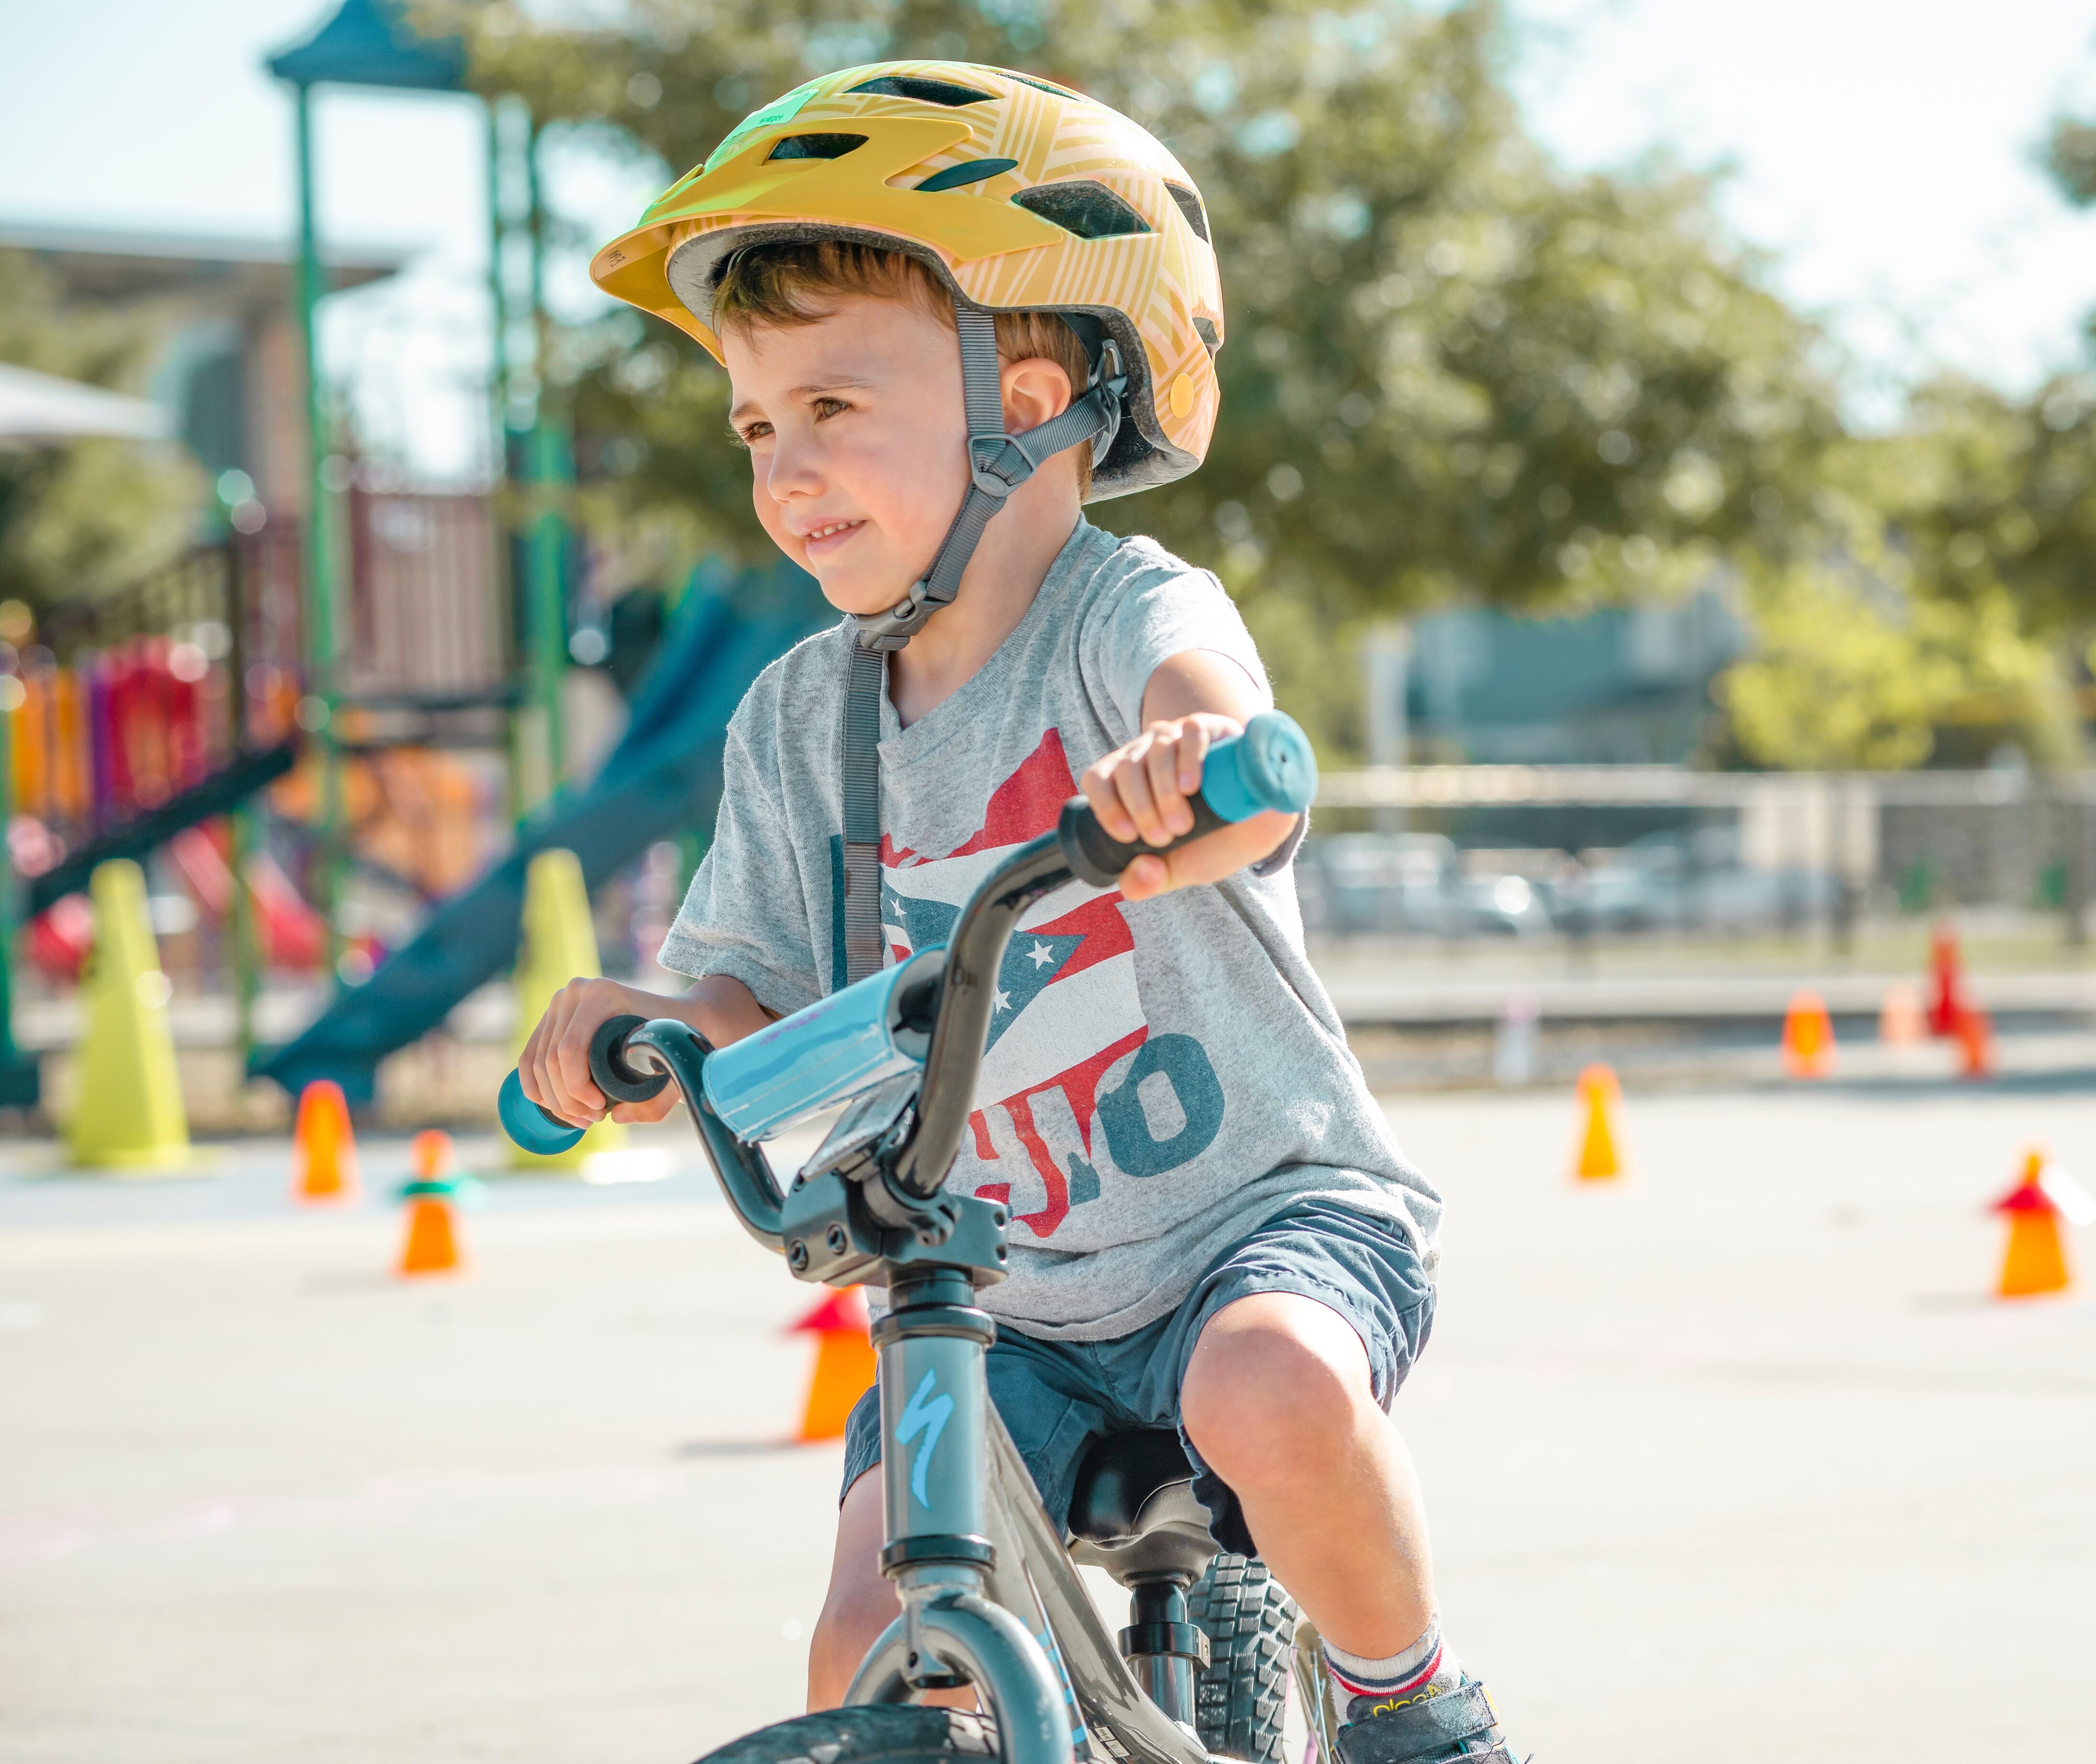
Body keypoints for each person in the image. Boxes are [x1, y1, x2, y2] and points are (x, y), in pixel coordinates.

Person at [517, 61, 1523, 1764]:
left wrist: (1193, 761)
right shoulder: (796, 719)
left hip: (1254, 1225)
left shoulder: (1121, 611)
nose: (784, 462)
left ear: (1027, 395)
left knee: (1269, 1389)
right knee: (869, 1628)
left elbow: (1236, 752)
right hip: (988, 1291)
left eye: (834, 405)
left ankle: (1412, 1711)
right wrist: (635, 1031)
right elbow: (743, 1010)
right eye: (758, 423)